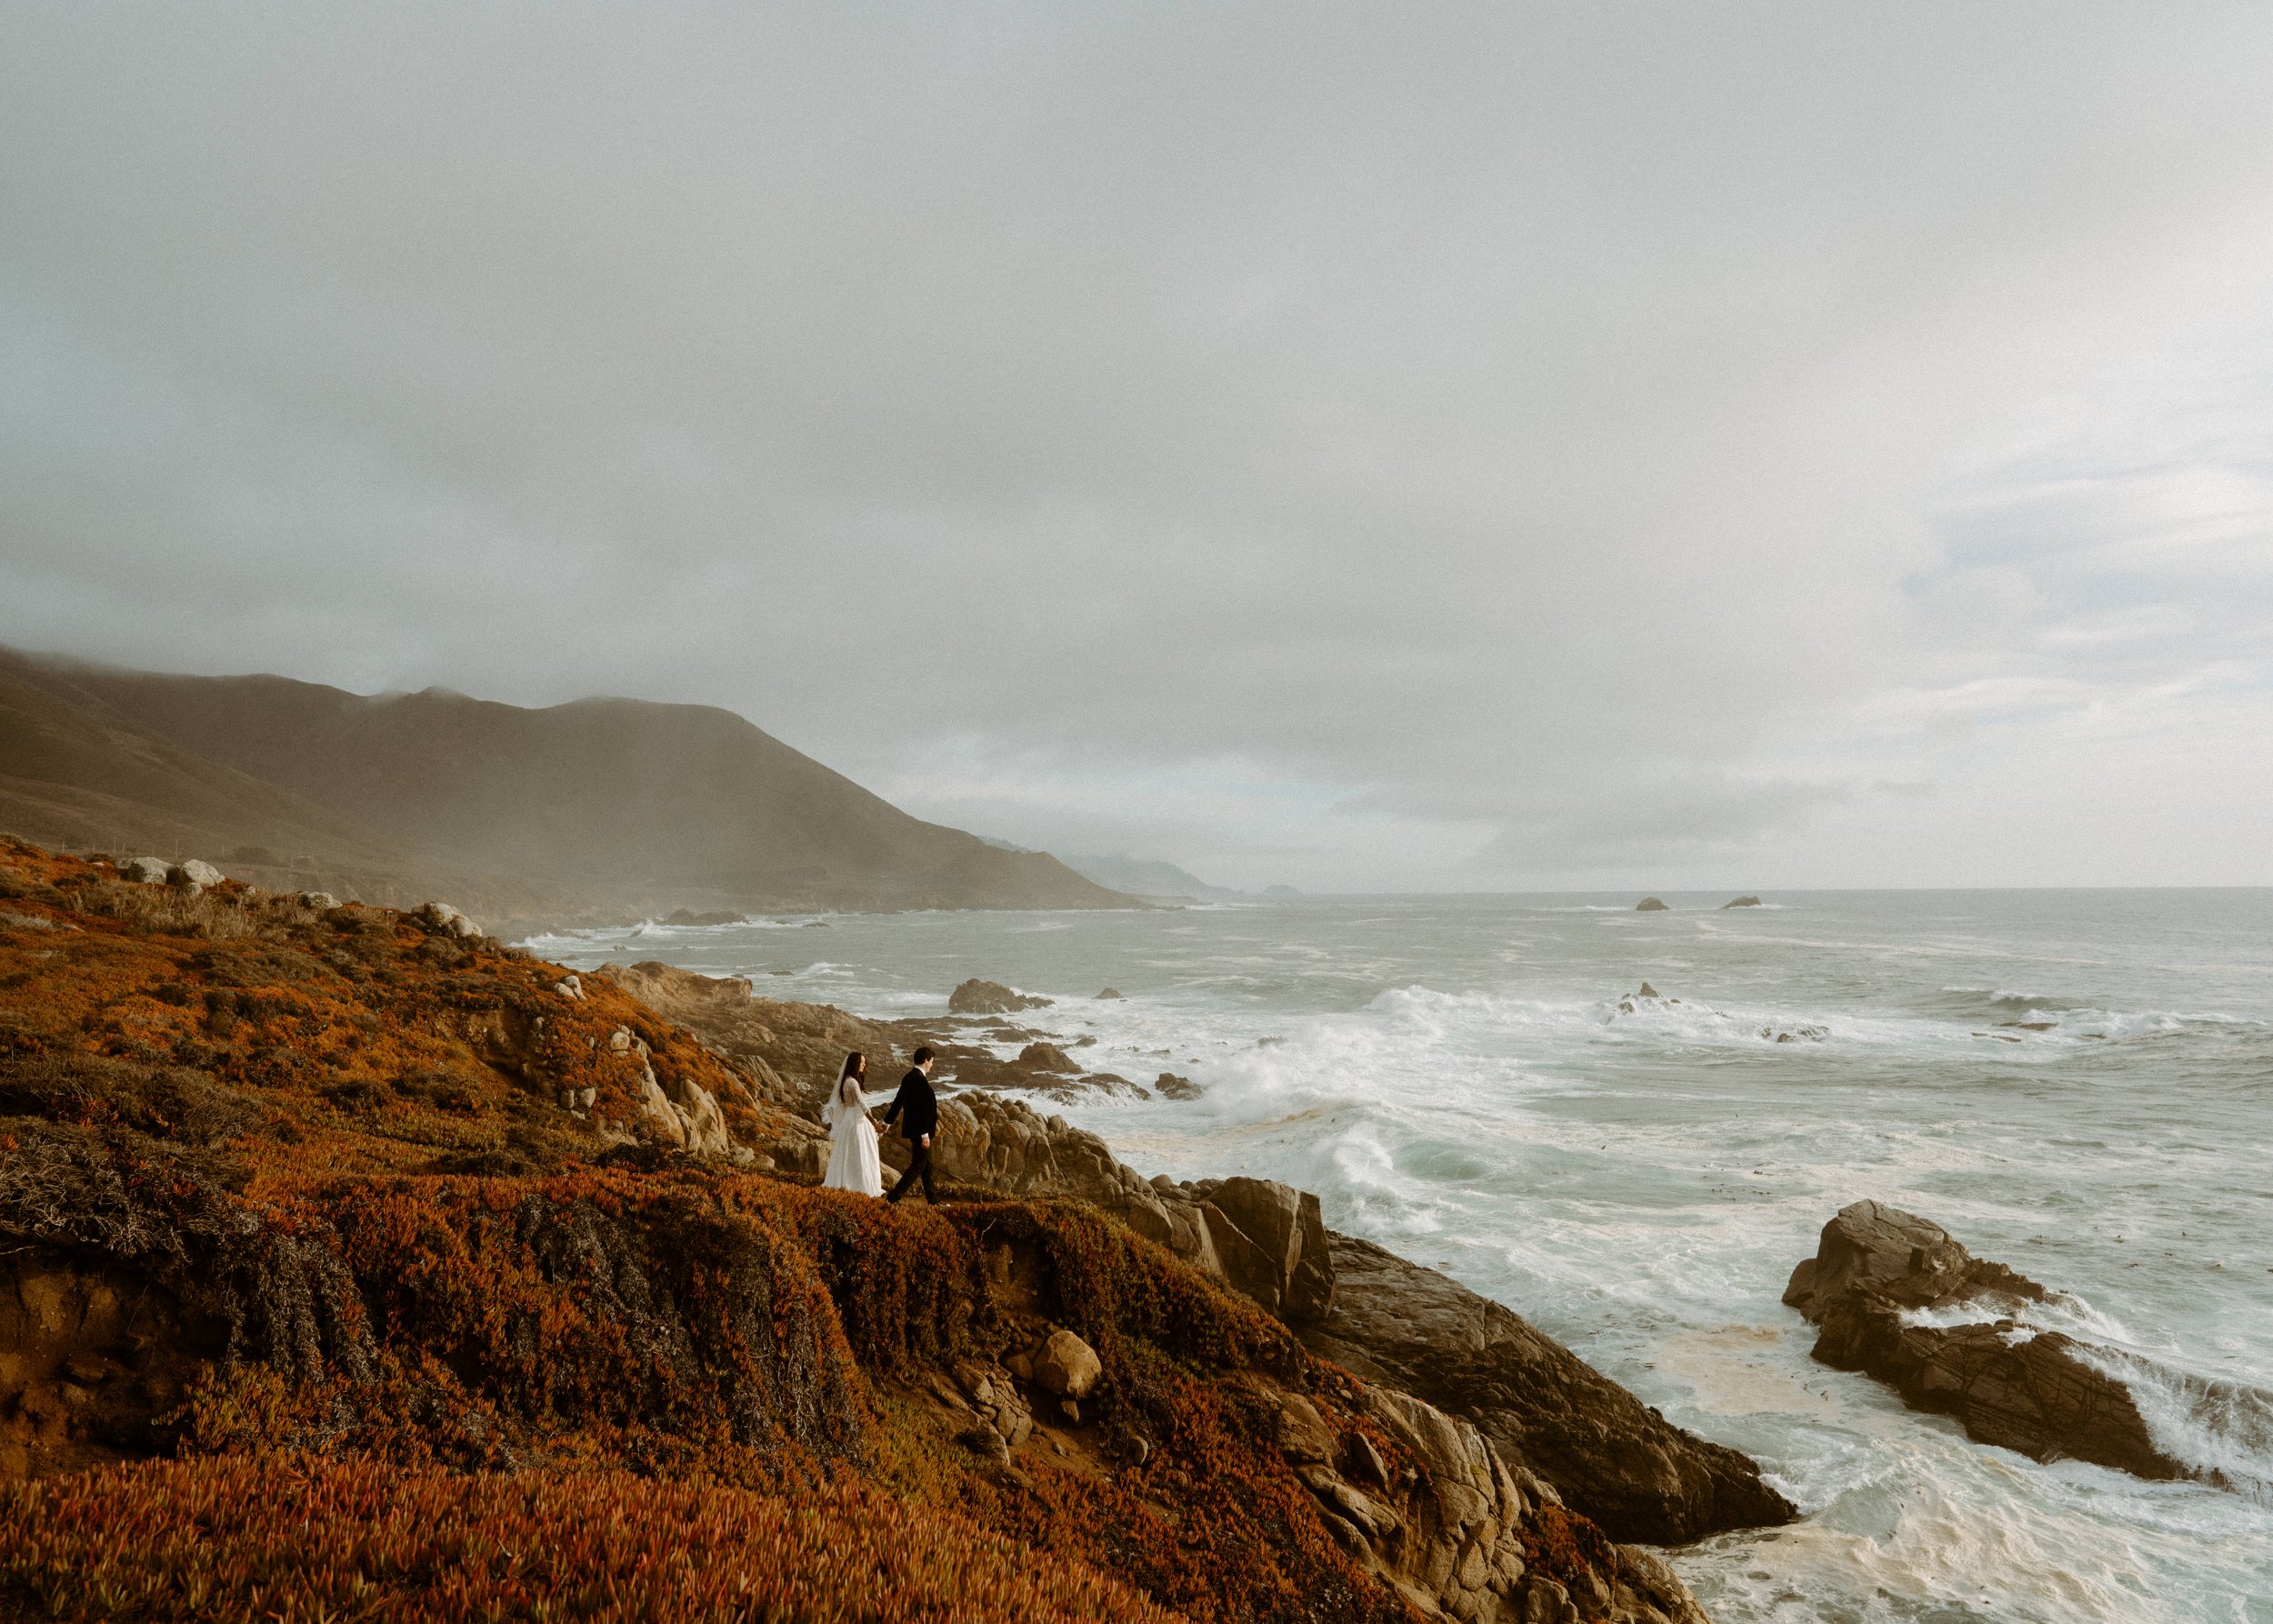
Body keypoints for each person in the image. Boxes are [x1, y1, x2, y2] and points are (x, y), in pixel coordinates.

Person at [819, 1050, 885, 1197]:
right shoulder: (852, 1082)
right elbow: (862, 1104)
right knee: (861, 1152)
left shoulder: (847, 1080)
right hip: (856, 1121)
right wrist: (874, 1123)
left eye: (864, 1062)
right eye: (861, 1062)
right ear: (855, 1064)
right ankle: (860, 1185)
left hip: (851, 1118)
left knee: (851, 1152)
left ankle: (850, 1181)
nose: (864, 1065)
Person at [883, 1046, 939, 1204]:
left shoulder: (909, 1077)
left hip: (914, 1129)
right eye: (932, 1061)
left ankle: (933, 1200)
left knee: (927, 1167)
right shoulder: (919, 1080)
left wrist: (887, 1122)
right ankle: (893, 1197)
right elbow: (920, 1110)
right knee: (918, 1166)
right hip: (920, 1132)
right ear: (926, 1060)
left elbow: (898, 1101)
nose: (932, 1065)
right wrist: (924, 1134)